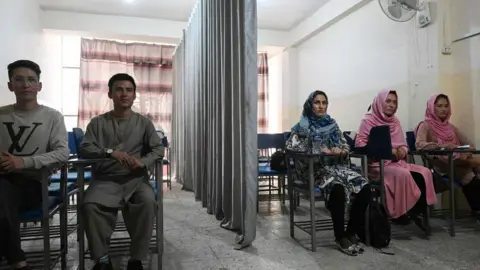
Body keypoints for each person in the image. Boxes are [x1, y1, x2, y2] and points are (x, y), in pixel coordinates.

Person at [79, 73, 164, 270]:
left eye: (129, 90)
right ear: (110, 94)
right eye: (119, 89)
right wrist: (110, 153)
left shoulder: (144, 123)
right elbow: (85, 148)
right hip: (105, 180)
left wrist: (143, 163)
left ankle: (136, 259)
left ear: (134, 95)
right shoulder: (97, 123)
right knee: (90, 205)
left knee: (147, 202)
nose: (124, 94)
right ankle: (102, 259)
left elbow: (158, 149)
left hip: (136, 180)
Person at [0, 60, 69, 269]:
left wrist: (22, 162)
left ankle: (15, 260)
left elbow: (62, 152)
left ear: (39, 86)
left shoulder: (52, 117)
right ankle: (16, 260)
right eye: (19, 80)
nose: (25, 85)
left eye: (31, 80)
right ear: (10, 85)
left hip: (31, 184)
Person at [287, 90, 371, 256]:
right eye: (317, 103)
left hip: (337, 168)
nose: (321, 106)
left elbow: (346, 145)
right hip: (314, 170)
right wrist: (320, 150)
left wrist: (340, 150)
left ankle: (350, 232)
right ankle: (340, 237)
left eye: (324, 103)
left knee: (365, 186)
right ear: (310, 105)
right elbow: (291, 146)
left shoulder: (332, 124)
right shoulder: (302, 126)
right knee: (337, 187)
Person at [355, 90, 437, 230]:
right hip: (377, 166)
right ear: (380, 102)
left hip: (397, 162)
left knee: (424, 172)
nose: (391, 105)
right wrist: (388, 151)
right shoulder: (368, 120)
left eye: (394, 102)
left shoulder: (395, 121)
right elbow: (360, 145)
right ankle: (403, 213)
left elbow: (403, 145)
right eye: (388, 101)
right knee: (403, 174)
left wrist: (401, 151)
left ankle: (417, 212)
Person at [414, 94, 480, 216]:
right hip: (440, 165)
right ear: (432, 108)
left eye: (446, 106)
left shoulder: (450, 127)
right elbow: (419, 144)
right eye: (439, 106)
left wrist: (465, 151)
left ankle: (476, 208)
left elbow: (470, 144)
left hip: (457, 162)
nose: (444, 109)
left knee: (469, 170)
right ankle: (476, 208)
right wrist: (441, 146)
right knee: (469, 173)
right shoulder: (425, 125)